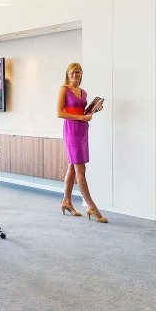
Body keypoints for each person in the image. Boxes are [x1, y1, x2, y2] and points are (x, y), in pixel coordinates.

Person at [56, 63, 108, 223]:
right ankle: (92, 207)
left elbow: (84, 113)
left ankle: (66, 201)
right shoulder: (64, 89)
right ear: (67, 74)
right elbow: (59, 113)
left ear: (81, 73)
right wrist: (81, 117)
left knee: (72, 166)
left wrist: (94, 110)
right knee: (81, 169)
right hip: (71, 130)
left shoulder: (84, 92)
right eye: (72, 72)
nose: (75, 75)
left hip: (83, 130)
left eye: (77, 72)